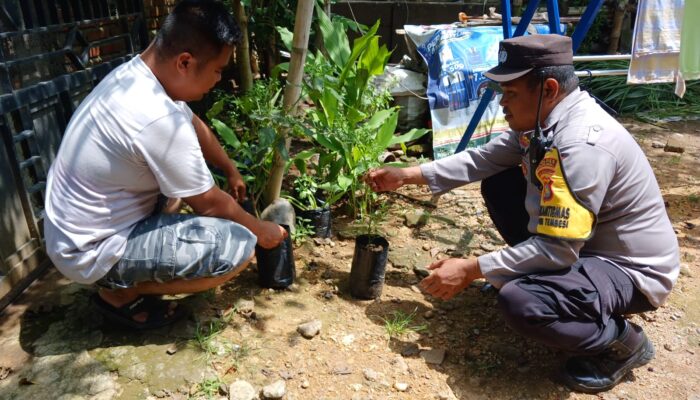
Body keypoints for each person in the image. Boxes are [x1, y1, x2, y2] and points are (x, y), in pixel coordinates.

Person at [367, 34, 679, 393]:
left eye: (510, 93)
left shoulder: (581, 144)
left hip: (628, 268)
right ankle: (543, 282)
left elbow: (557, 249)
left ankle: (621, 343)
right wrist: (406, 176)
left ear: (547, 88)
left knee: (521, 302)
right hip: (580, 245)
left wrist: (473, 269)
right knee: (499, 181)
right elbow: (484, 158)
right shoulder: (545, 120)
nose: (502, 103)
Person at [44, 0, 287, 330]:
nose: (218, 78)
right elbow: (210, 204)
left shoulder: (138, 76)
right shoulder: (156, 116)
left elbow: (195, 124)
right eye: (217, 70)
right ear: (185, 62)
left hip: (77, 228)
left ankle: (122, 276)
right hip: (87, 249)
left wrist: (230, 168)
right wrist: (261, 231)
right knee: (238, 247)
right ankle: (118, 293)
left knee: (174, 196)